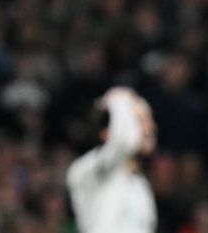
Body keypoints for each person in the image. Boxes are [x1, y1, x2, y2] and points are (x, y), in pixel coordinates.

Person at [66, 86, 158, 233]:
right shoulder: (86, 171)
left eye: (149, 120)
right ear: (106, 133)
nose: (150, 128)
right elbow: (124, 142)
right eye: (140, 121)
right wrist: (118, 100)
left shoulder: (139, 183)